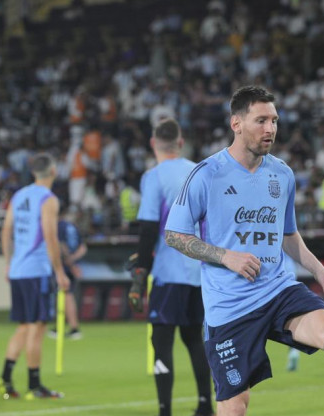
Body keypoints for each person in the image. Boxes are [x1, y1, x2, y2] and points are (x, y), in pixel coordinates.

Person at [164, 86, 324, 416]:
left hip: (279, 289)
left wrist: (319, 271)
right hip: (230, 308)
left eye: (274, 120)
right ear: (236, 123)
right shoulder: (206, 175)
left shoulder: (281, 174)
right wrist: (226, 256)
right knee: (234, 408)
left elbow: (288, 235)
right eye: (261, 120)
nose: (270, 128)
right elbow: (174, 235)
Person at [128, 118, 214, 416]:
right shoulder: (200, 171)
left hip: (168, 271)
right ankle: (206, 404)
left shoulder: (154, 177)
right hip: (201, 272)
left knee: (161, 340)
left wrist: (140, 271)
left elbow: (149, 228)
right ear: (181, 142)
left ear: (153, 144)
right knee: (195, 339)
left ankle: (165, 410)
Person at [0, 153, 69, 400]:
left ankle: (5, 379)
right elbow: (50, 236)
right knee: (37, 327)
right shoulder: (48, 199)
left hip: (18, 269)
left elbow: (6, 232)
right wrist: (59, 271)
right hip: (37, 270)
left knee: (25, 326)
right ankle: (34, 385)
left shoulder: (19, 196)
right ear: (53, 171)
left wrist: (9, 264)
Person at [59, 208, 88, 339]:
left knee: (66, 295)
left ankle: (74, 327)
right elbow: (83, 248)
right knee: (66, 295)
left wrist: (70, 264)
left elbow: (61, 246)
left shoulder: (58, 226)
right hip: (73, 265)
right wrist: (75, 262)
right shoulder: (72, 227)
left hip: (63, 266)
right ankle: (60, 325)